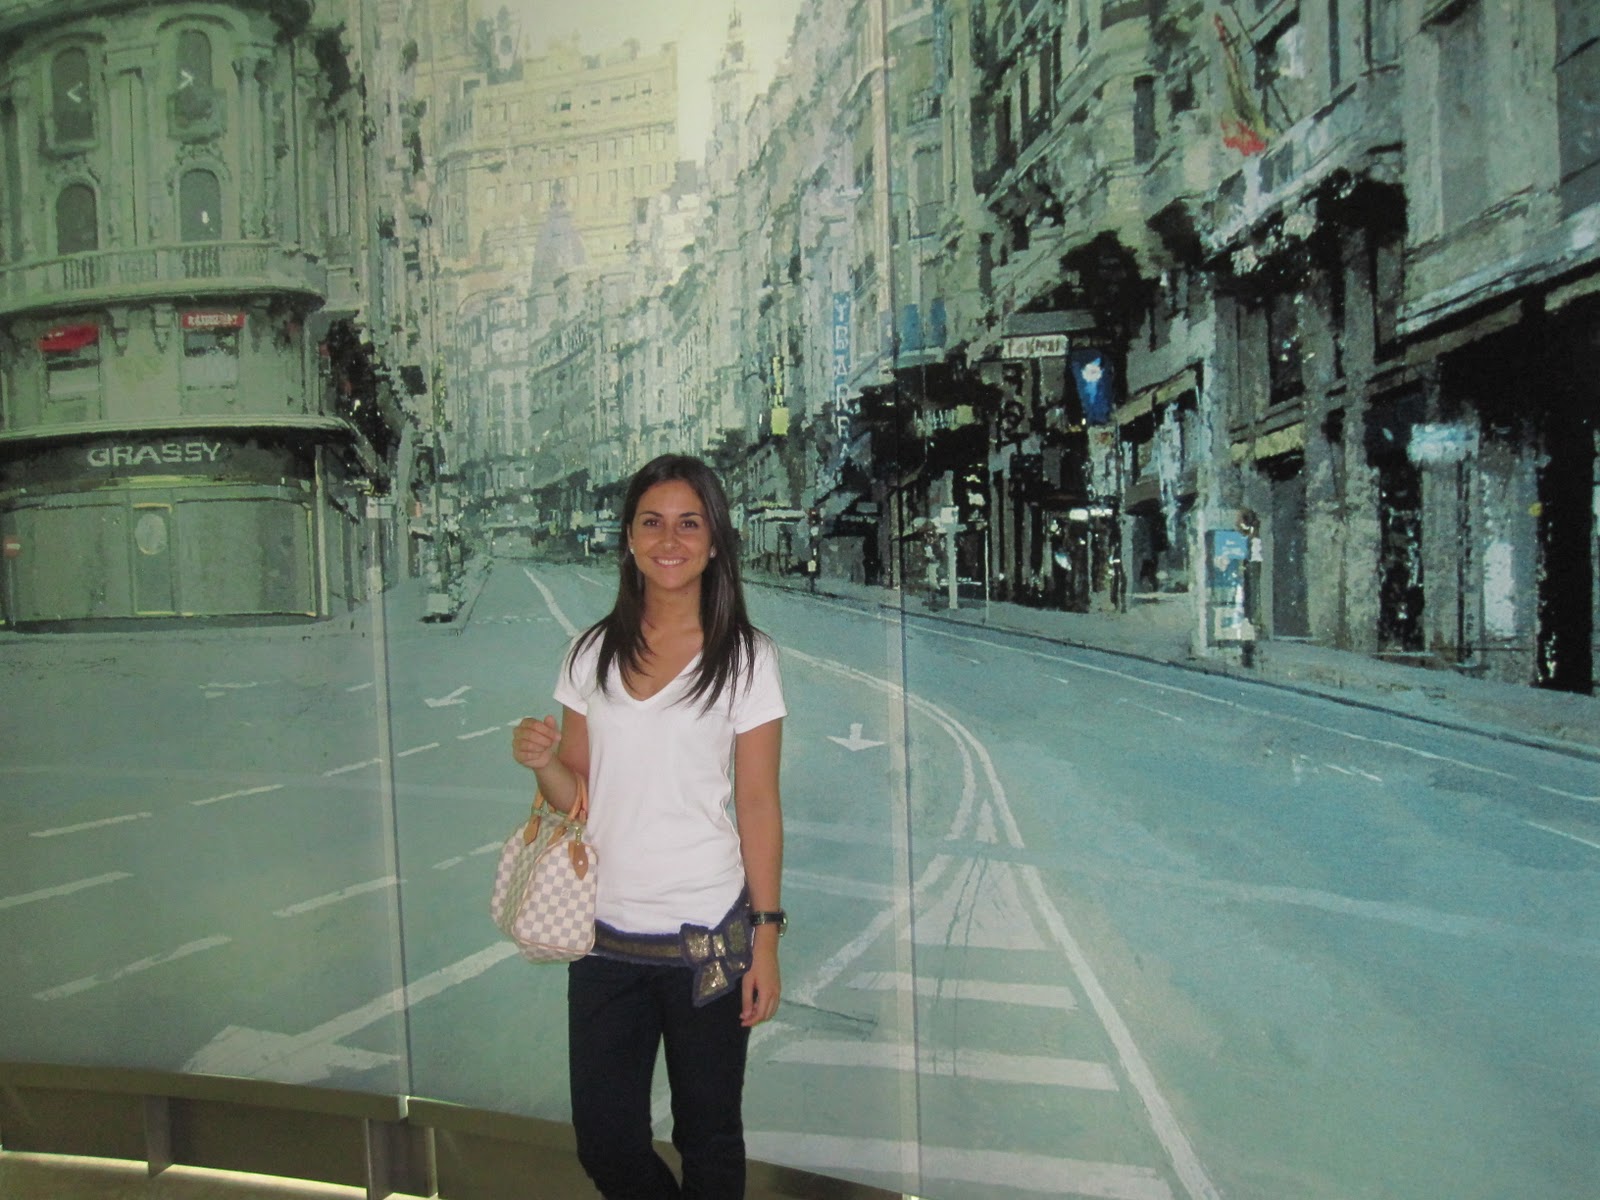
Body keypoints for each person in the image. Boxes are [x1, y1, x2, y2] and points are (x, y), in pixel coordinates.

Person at [511, 454, 786, 1200]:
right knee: (606, 1145)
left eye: (689, 523)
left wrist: (766, 939)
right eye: (652, 523)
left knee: (709, 1139)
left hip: (710, 942)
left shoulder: (747, 659)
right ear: (629, 538)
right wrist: (542, 762)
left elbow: (758, 803)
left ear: (714, 541)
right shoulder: (589, 654)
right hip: (605, 939)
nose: (671, 540)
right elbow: (575, 799)